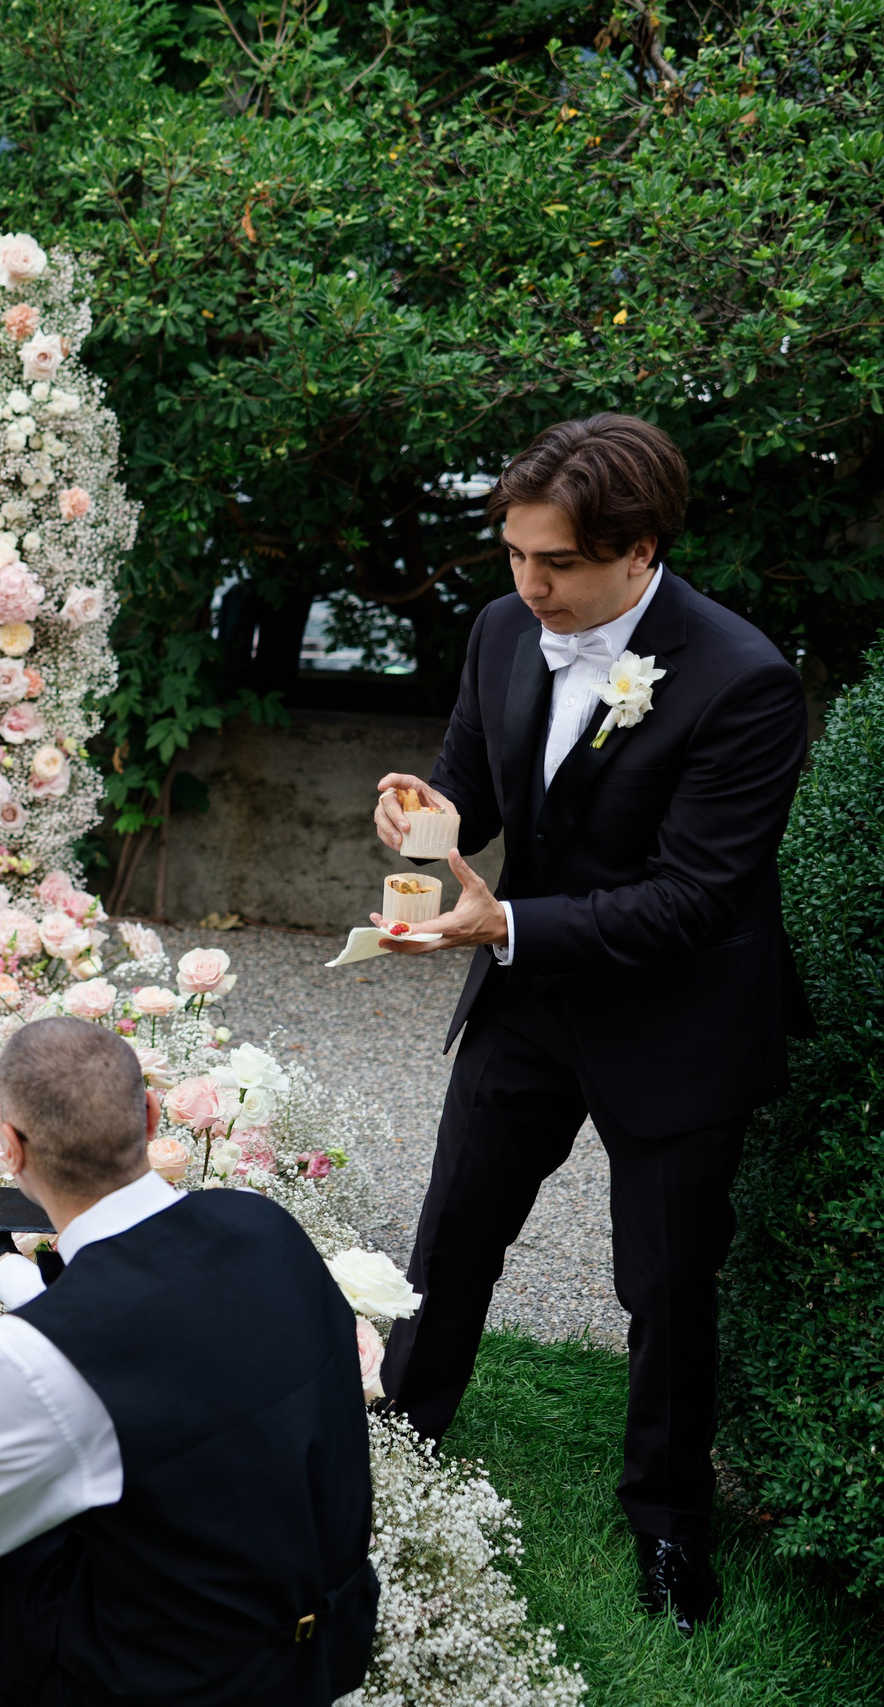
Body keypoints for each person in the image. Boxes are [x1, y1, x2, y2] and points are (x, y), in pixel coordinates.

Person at [367, 413, 808, 1632]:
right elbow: (469, 778)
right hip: (531, 999)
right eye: (514, 554)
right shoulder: (504, 628)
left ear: (637, 549)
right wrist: (423, 812)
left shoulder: (745, 679)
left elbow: (694, 897)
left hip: (677, 1018)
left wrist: (501, 926)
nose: (528, 584)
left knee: (665, 1287)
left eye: (554, 562)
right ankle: (396, 1446)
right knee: (452, 1234)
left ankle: (669, 1527)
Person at [0, 1018, 377, 1707]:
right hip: (323, 1637)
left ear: (11, 1148)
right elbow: (164, 1333)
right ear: (148, 1115)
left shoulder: (35, 1356)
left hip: (173, 1677)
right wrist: (2, 1268)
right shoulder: (263, 1226)